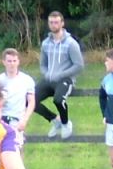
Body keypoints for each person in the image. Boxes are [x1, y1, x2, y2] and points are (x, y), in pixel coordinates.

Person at [33, 11, 84, 140]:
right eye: (51, 22)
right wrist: (47, 74)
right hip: (49, 79)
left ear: (62, 23)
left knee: (58, 100)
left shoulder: (71, 43)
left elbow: (79, 65)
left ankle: (66, 123)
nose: (53, 25)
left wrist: (61, 74)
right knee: (30, 101)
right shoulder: (46, 43)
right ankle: (55, 120)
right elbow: (43, 64)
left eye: (56, 22)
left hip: (65, 79)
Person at [0, 47, 36, 149]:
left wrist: (24, 120)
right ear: (4, 62)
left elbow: (31, 102)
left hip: (17, 120)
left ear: (18, 62)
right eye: (9, 61)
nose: (12, 64)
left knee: (18, 148)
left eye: (14, 61)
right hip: (1, 120)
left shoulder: (26, 80)